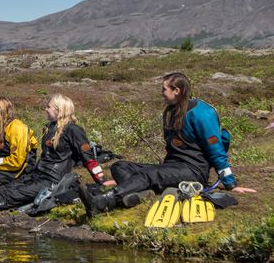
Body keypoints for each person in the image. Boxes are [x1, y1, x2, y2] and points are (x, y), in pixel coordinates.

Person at [79, 72, 256, 215]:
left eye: (164, 89)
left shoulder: (202, 113)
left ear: (176, 91)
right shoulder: (169, 112)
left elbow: (217, 150)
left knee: (150, 174)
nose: (161, 93)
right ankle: (138, 193)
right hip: (173, 167)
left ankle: (102, 202)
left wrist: (231, 184)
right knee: (120, 167)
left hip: (193, 172)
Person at [0, 94, 104, 223]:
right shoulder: (50, 129)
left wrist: (101, 181)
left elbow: (89, 159)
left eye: (48, 107)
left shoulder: (74, 130)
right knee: (2, 190)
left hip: (52, 181)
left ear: (59, 110)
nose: (45, 109)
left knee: (11, 195)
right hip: (37, 175)